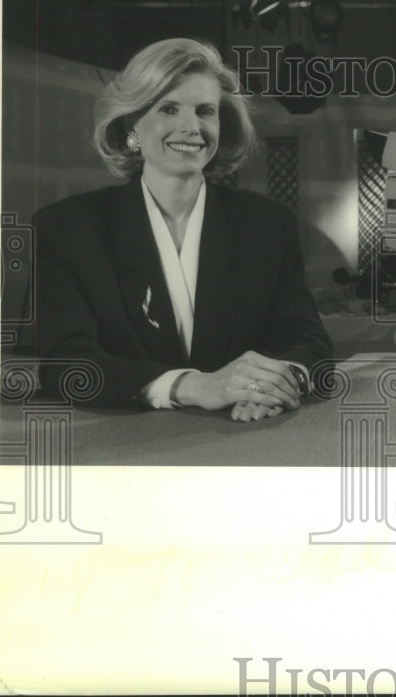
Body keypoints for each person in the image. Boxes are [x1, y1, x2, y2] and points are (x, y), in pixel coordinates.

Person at [34, 38, 333, 421]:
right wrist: (191, 387)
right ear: (132, 126)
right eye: (169, 109)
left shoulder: (269, 224)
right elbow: (65, 364)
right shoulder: (67, 229)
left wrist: (275, 382)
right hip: (123, 451)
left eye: (205, 111)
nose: (191, 127)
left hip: (248, 440)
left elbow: (307, 340)